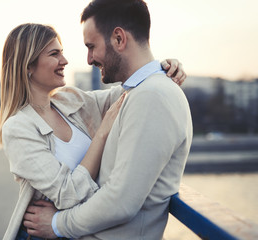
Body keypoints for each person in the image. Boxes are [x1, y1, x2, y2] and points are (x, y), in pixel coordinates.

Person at [22, 0, 193, 239]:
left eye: (91, 46)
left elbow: (121, 200)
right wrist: (163, 67)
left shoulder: (152, 96)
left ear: (119, 39)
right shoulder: (136, 93)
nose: (89, 59)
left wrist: (58, 223)